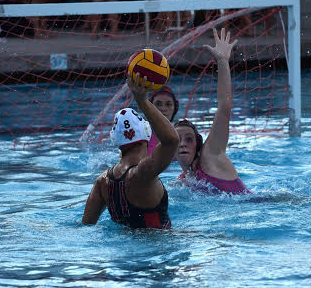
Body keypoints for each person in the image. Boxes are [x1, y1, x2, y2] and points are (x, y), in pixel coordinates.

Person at [82, 73, 179, 229]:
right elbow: (172, 140)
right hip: (159, 246)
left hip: (122, 251)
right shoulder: (143, 172)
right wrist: (143, 101)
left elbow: (85, 226)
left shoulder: (102, 181)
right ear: (147, 132)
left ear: (116, 140)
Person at [174, 28, 252, 194]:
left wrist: (223, 61)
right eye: (178, 140)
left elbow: (224, 106)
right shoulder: (181, 182)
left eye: (188, 139)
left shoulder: (210, 156)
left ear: (198, 144)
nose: (182, 144)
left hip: (259, 207)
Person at [147, 85, 179, 154]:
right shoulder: (141, 136)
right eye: (158, 104)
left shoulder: (182, 137)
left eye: (168, 104)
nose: (163, 109)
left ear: (175, 109)